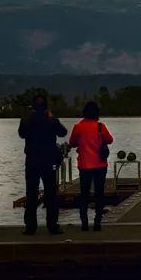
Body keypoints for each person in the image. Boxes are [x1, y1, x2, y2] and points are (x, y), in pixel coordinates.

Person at [18, 94, 68, 235]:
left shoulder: (26, 120)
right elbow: (63, 132)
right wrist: (51, 118)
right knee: (51, 194)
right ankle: (52, 226)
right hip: (49, 161)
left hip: (32, 160)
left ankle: (30, 227)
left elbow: (21, 134)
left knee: (31, 193)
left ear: (33, 107)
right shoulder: (51, 120)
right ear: (46, 107)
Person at [69, 102, 114, 231]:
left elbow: (72, 143)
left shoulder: (78, 127)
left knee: (84, 194)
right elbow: (110, 140)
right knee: (99, 194)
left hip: (84, 165)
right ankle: (97, 222)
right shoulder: (101, 127)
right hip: (100, 164)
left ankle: (84, 224)